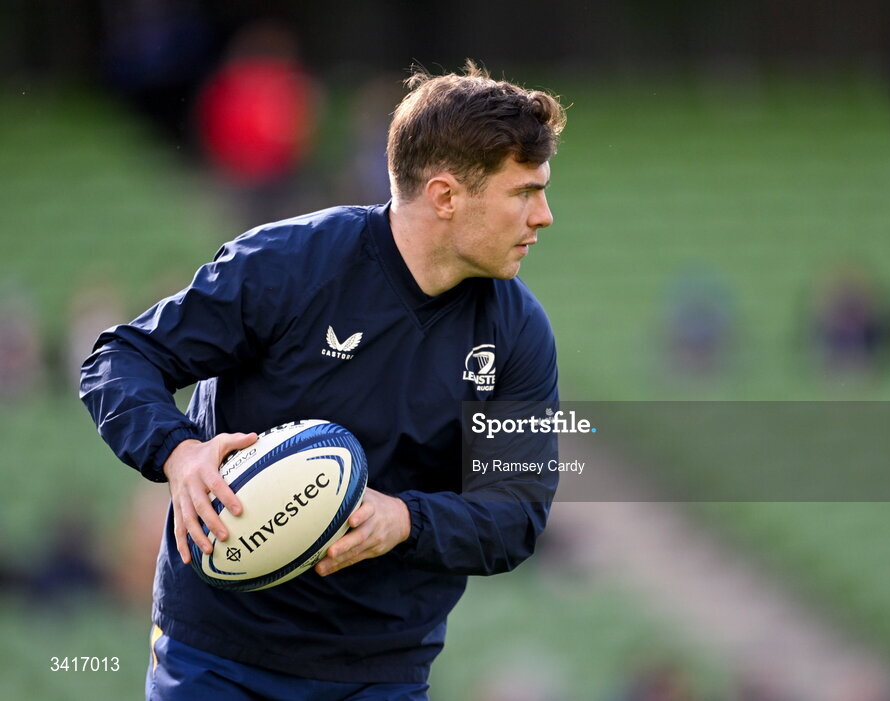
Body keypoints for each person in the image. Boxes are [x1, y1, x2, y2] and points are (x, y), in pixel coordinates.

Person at [80, 61, 566, 700]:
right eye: (524, 193)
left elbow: (518, 513)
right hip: (217, 655)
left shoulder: (519, 333)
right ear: (446, 196)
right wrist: (179, 451)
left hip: (377, 674)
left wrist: (404, 520)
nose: (545, 216)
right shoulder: (289, 265)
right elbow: (119, 358)